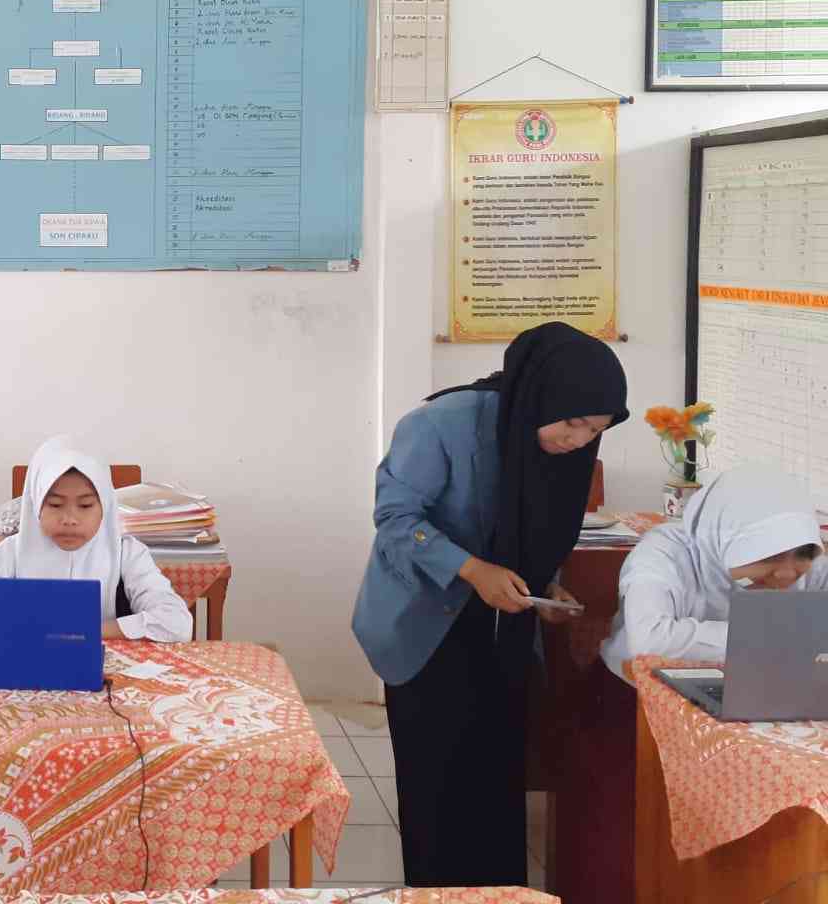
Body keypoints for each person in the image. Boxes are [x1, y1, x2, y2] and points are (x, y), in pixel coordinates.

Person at [351, 322, 628, 888]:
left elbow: (536, 527)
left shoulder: (563, 447)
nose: (578, 440)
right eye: (573, 422)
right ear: (543, 395)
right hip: (425, 622)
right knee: (437, 780)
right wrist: (473, 570)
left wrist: (545, 587)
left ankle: (498, 895)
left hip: (503, 630)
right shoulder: (439, 425)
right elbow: (396, 521)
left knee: (497, 774)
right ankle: (436, 893)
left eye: (594, 431)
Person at [0, 436, 192, 643]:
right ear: (35, 505)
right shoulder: (11, 553)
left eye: (86, 505)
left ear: (106, 506)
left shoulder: (126, 553)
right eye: (55, 505)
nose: (70, 519)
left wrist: (88, 632)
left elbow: (177, 623)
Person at [602, 464, 828, 674]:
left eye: (803, 554)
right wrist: (772, 637)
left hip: (771, 682)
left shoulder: (813, 564)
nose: (787, 574)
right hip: (644, 692)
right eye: (768, 556)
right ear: (727, 541)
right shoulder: (663, 556)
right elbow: (650, 640)